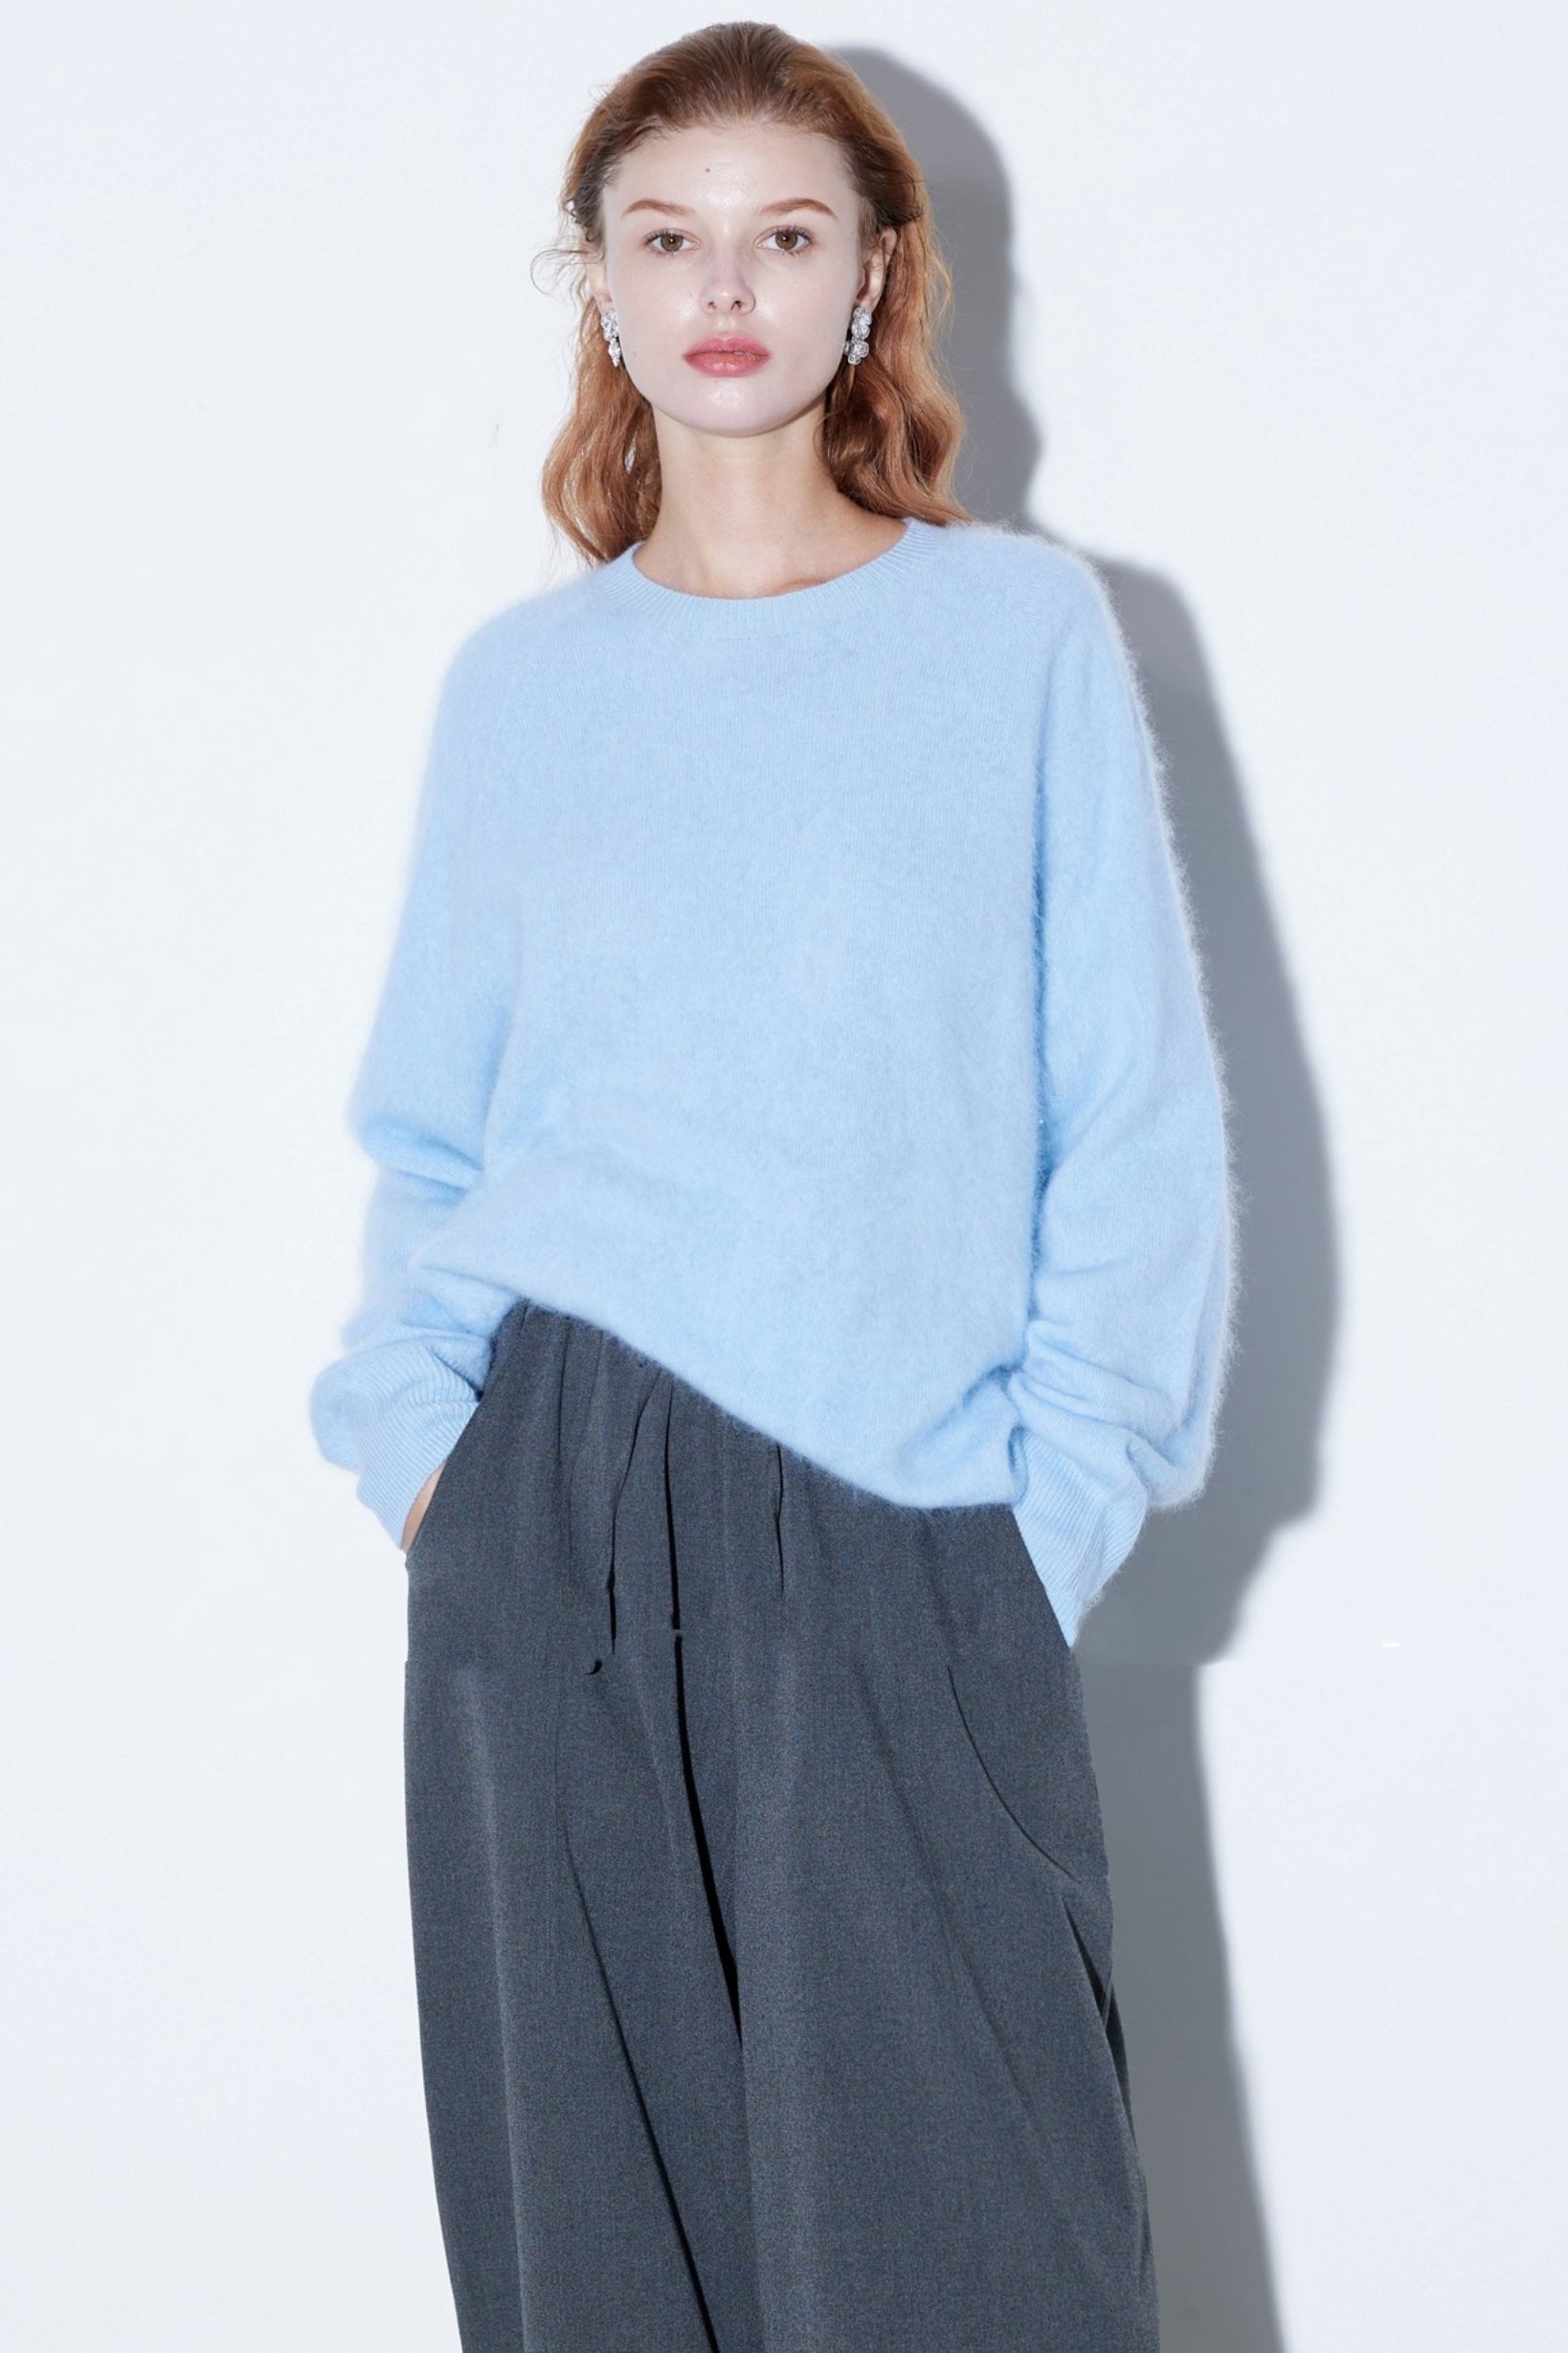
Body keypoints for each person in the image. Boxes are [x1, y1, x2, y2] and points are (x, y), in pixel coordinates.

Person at [308, 21, 1235, 2351]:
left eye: (784, 234)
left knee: (985, 2263)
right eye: (669, 237)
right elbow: (431, 1139)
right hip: (555, 1511)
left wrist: (1042, 1521)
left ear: (872, 278)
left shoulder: (1018, 635)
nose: (725, 287)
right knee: (603, 2274)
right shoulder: (522, 689)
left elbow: (1131, 1114)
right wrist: (433, 1464)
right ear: (603, 285)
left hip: (909, 1524)